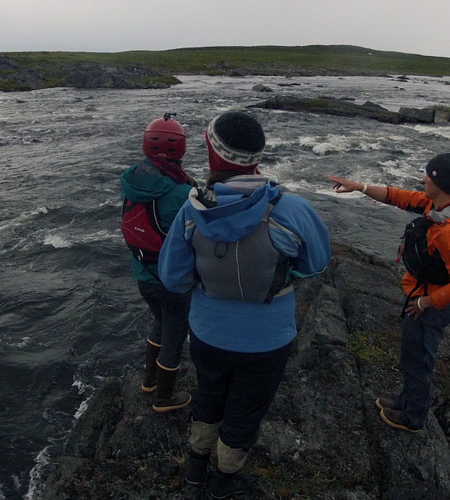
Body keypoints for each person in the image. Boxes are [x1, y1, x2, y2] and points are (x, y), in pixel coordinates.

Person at [158, 111, 331, 498]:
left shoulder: (191, 211)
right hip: (268, 340)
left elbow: (173, 279)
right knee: (246, 412)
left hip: (208, 333)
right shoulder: (293, 210)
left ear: (211, 153)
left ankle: (193, 473)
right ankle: (223, 485)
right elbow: (315, 265)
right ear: (257, 157)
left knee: (209, 396)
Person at [327, 153, 450, 433]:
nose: (423, 179)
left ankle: (413, 418)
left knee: (419, 361)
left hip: (429, 306)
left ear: (440, 183)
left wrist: (425, 302)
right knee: (411, 356)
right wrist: (358, 186)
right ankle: (405, 401)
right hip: (420, 296)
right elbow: (397, 196)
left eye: (428, 175)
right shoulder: (439, 205)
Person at [119, 113, 196, 413]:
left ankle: (149, 380)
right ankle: (164, 397)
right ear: (181, 148)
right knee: (175, 332)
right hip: (172, 281)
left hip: (143, 275)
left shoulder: (131, 180)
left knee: (160, 321)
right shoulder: (185, 193)